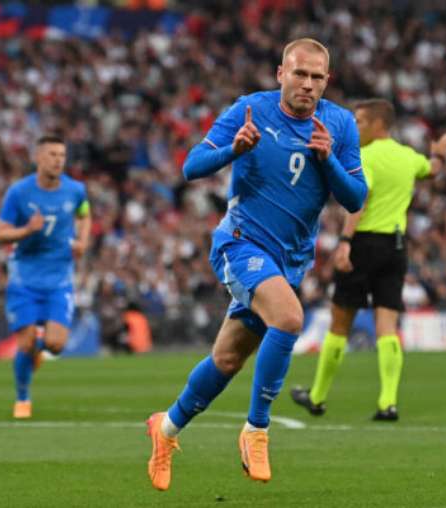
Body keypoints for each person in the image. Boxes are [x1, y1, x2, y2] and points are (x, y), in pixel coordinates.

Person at [146, 38, 367, 490]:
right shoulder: (250, 110)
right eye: (299, 73)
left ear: (328, 81)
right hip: (240, 242)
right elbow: (191, 166)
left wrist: (328, 163)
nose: (307, 84)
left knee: (226, 359)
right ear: (280, 73)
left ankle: (165, 429)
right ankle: (256, 430)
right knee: (289, 318)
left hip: (289, 260)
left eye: (317, 77)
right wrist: (234, 150)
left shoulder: (340, 125)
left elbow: (356, 198)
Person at [291, 99, 446, 421]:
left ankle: (318, 397)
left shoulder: (366, 157)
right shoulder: (407, 157)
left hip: (364, 243)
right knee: (387, 324)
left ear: (379, 125)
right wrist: (438, 155)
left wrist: (346, 242)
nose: (355, 127)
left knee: (340, 320)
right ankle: (388, 402)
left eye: (361, 121)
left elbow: (358, 201)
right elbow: (431, 171)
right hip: (396, 247)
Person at [0, 135, 91, 419]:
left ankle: (36, 352)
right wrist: (26, 230)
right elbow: (1, 232)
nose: (58, 160)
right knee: (25, 344)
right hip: (24, 278)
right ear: (38, 158)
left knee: (56, 344)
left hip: (59, 277)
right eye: (52, 154)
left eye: (62, 155)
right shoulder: (19, 193)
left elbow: (84, 214)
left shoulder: (75, 190)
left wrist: (83, 240)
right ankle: (22, 398)